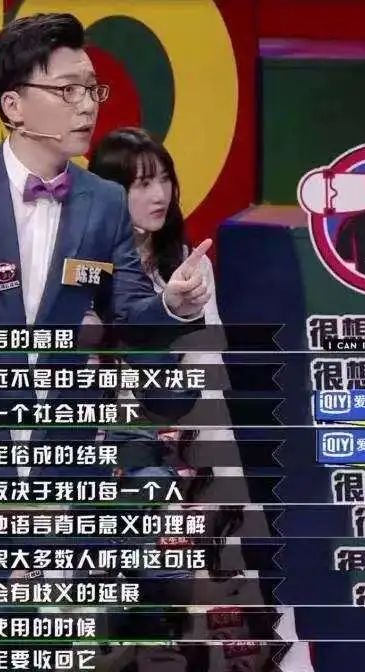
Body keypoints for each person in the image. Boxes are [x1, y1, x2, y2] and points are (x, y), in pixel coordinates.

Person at [0, 14, 213, 470]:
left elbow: (128, 315)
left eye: (92, 89)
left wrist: (170, 305)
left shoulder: (104, 201)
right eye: (68, 90)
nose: (87, 106)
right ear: (14, 106)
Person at [88, 128, 274, 671]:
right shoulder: (82, 270)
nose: (159, 195)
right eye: (141, 184)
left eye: (165, 180)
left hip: (184, 443)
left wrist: (221, 475)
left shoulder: (190, 266)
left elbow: (209, 372)